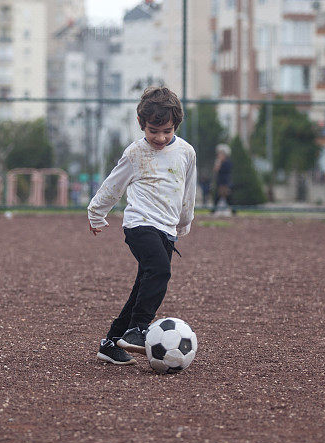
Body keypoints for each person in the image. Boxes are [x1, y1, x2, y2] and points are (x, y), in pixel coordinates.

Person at [88, 86, 197, 365]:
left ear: (176, 126)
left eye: (167, 131)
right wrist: (97, 213)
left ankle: (111, 343)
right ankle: (137, 330)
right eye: (153, 131)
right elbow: (113, 185)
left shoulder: (186, 152)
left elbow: (188, 193)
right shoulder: (136, 153)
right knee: (160, 272)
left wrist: (183, 224)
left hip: (167, 229)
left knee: (143, 286)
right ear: (141, 125)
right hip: (139, 225)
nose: (160, 138)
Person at [211, 143, 234, 214]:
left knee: (226, 197)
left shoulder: (227, 163)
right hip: (220, 182)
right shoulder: (219, 162)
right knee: (219, 197)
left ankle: (233, 210)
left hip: (225, 182)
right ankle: (213, 210)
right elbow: (215, 170)